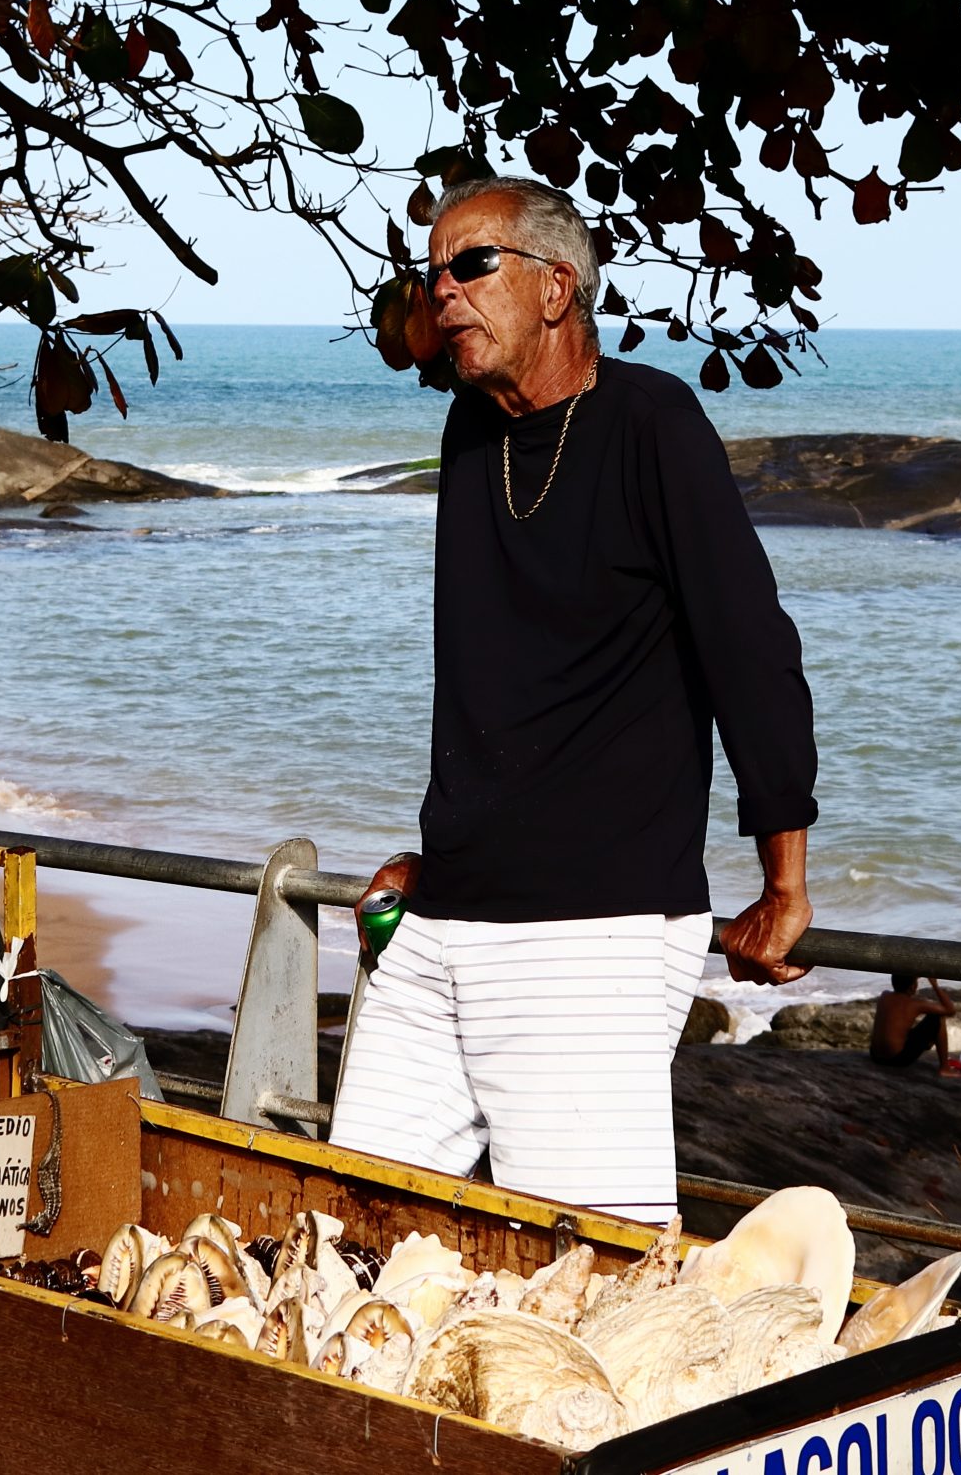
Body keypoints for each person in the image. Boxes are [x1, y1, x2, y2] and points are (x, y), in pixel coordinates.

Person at [325, 176, 819, 1221]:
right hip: (444, 918)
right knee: (347, 1232)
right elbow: (508, 686)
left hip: (592, 934)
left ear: (556, 289)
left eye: (471, 265)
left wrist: (784, 883)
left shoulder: (651, 423)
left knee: (589, 1266)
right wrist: (448, 852)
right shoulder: (471, 430)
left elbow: (750, 648)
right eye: (431, 272)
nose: (442, 291)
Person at [870, 972, 957, 1069]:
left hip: (875, 1056)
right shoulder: (914, 1004)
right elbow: (950, 1010)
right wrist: (935, 985)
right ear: (913, 987)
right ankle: (945, 1068)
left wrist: (912, 977)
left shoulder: (884, 995)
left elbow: (901, 980)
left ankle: (929, 1044)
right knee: (938, 1017)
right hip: (897, 1059)